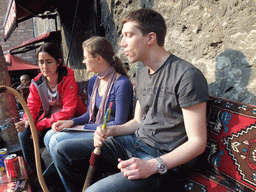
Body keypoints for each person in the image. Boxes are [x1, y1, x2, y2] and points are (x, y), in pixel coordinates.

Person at [52, 8, 209, 192]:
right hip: (134, 142)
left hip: (163, 158)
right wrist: (110, 130)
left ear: (150, 38)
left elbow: (197, 143)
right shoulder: (142, 75)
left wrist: (152, 165)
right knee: (61, 150)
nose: (122, 44)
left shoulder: (186, 76)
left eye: (128, 35)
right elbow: (137, 122)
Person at [44, 36, 134, 161]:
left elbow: (120, 123)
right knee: (48, 135)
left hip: (111, 135)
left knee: (56, 140)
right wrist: (71, 122)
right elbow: (89, 114)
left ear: (98, 59)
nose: (83, 61)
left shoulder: (122, 84)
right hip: (95, 129)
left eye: (86, 57)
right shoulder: (93, 81)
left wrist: (84, 127)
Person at [15, 42, 87, 173]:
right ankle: (40, 174)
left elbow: (68, 111)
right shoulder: (37, 83)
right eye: (41, 62)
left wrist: (39, 126)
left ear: (58, 62)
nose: (44, 66)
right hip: (49, 120)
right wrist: (27, 121)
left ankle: (60, 171)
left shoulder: (67, 77)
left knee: (49, 133)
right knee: (24, 134)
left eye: (48, 62)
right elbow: (32, 105)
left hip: (71, 119)